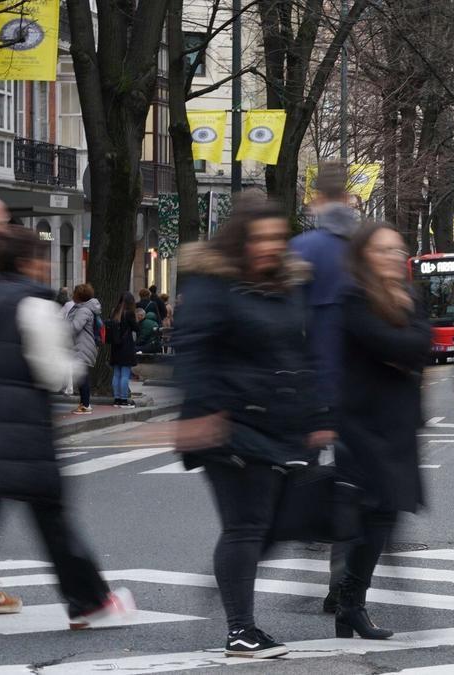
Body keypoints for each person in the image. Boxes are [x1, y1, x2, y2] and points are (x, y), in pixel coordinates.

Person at [172, 192, 332, 659]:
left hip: (280, 423)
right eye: (261, 239)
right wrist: (203, 411)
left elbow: (299, 353)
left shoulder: (287, 285)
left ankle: (228, 591)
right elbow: (193, 350)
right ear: (240, 240)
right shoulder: (211, 285)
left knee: (272, 525)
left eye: (277, 238)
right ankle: (240, 630)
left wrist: (319, 415)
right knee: (246, 526)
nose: (270, 247)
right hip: (229, 423)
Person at [0, 225, 135, 627]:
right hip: (24, 436)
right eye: (41, 258)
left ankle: (88, 601)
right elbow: (52, 372)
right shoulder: (31, 304)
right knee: (56, 527)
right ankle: (88, 602)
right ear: (28, 262)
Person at [332, 222, 430, 640]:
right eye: (382, 251)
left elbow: (420, 346)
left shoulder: (410, 298)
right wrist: (402, 349)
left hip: (398, 426)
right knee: (372, 516)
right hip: (363, 426)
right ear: (363, 257)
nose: (393, 258)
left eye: (397, 250)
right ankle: (350, 603)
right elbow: (395, 346)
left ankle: (349, 604)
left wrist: (402, 350)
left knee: (382, 518)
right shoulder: (353, 298)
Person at [289, 162, 360, 614]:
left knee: (297, 480)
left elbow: (286, 323)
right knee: (354, 486)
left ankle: (292, 540)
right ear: (350, 200)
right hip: (359, 389)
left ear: (316, 199)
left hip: (310, 388)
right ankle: (342, 583)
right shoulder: (365, 248)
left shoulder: (302, 249)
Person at [66, 283, 101, 414]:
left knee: (82, 377)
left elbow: (75, 327)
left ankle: (85, 405)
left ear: (79, 296)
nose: (72, 296)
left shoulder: (83, 310)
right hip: (81, 346)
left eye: (74, 293)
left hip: (82, 347)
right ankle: (84, 403)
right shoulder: (82, 308)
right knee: (81, 376)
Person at [108, 292, 138, 409]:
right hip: (126, 346)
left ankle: (117, 399)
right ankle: (124, 400)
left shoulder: (114, 312)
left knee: (116, 374)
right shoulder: (129, 314)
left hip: (115, 347)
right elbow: (136, 328)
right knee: (125, 374)